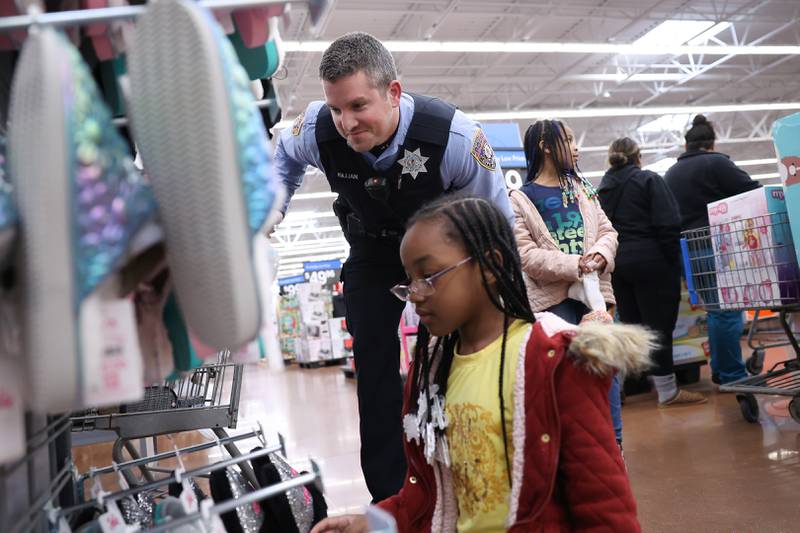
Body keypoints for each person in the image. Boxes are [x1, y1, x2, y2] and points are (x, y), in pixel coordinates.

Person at [311, 195, 649, 533]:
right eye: (409, 280)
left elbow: (603, 502)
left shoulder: (553, 360)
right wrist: (372, 523)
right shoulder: (430, 370)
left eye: (429, 275)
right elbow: (433, 494)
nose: (415, 293)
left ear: (489, 266)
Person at [273, 32, 513, 502]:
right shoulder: (318, 129)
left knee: (465, 353)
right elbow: (282, 154)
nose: (346, 122)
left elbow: (496, 224)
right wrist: (275, 208)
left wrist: (501, 302)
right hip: (372, 251)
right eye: (337, 108)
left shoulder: (456, 138)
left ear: (394, 93)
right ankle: (389, 492)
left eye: (359, 106)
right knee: (373, 362)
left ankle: (470, 461)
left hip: (442, 256)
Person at [508, 119, 624, 444]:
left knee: (605, 379)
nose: (576, 148)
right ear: (546, 145)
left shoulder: (584, 191)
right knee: (563, 385)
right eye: (569, 140)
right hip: (551, 306)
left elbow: (608, 231)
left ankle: (616, 452)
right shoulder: (520, 198)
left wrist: (601, 254)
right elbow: (526, 255)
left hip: (594, 299)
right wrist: (576, 265)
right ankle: (572, 459)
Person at [598, 137, 706, 407]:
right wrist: (672, 263)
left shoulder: (602, 190)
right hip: (652, 262)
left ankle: (618, 387)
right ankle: (668, 391)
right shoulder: (648, 180)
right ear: (638, 157)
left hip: (618, 266)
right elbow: (668, 223)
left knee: (631, 329)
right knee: (659, 328)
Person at [664, 115, 761, 385]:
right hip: (717, 247)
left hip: (689, 253)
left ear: (687, 146)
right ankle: (731, 375)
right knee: (727, 312)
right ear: (712, 144)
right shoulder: (716, 163)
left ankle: (722, 370)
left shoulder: (672, 173)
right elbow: (754, 190)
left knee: (718, 311)